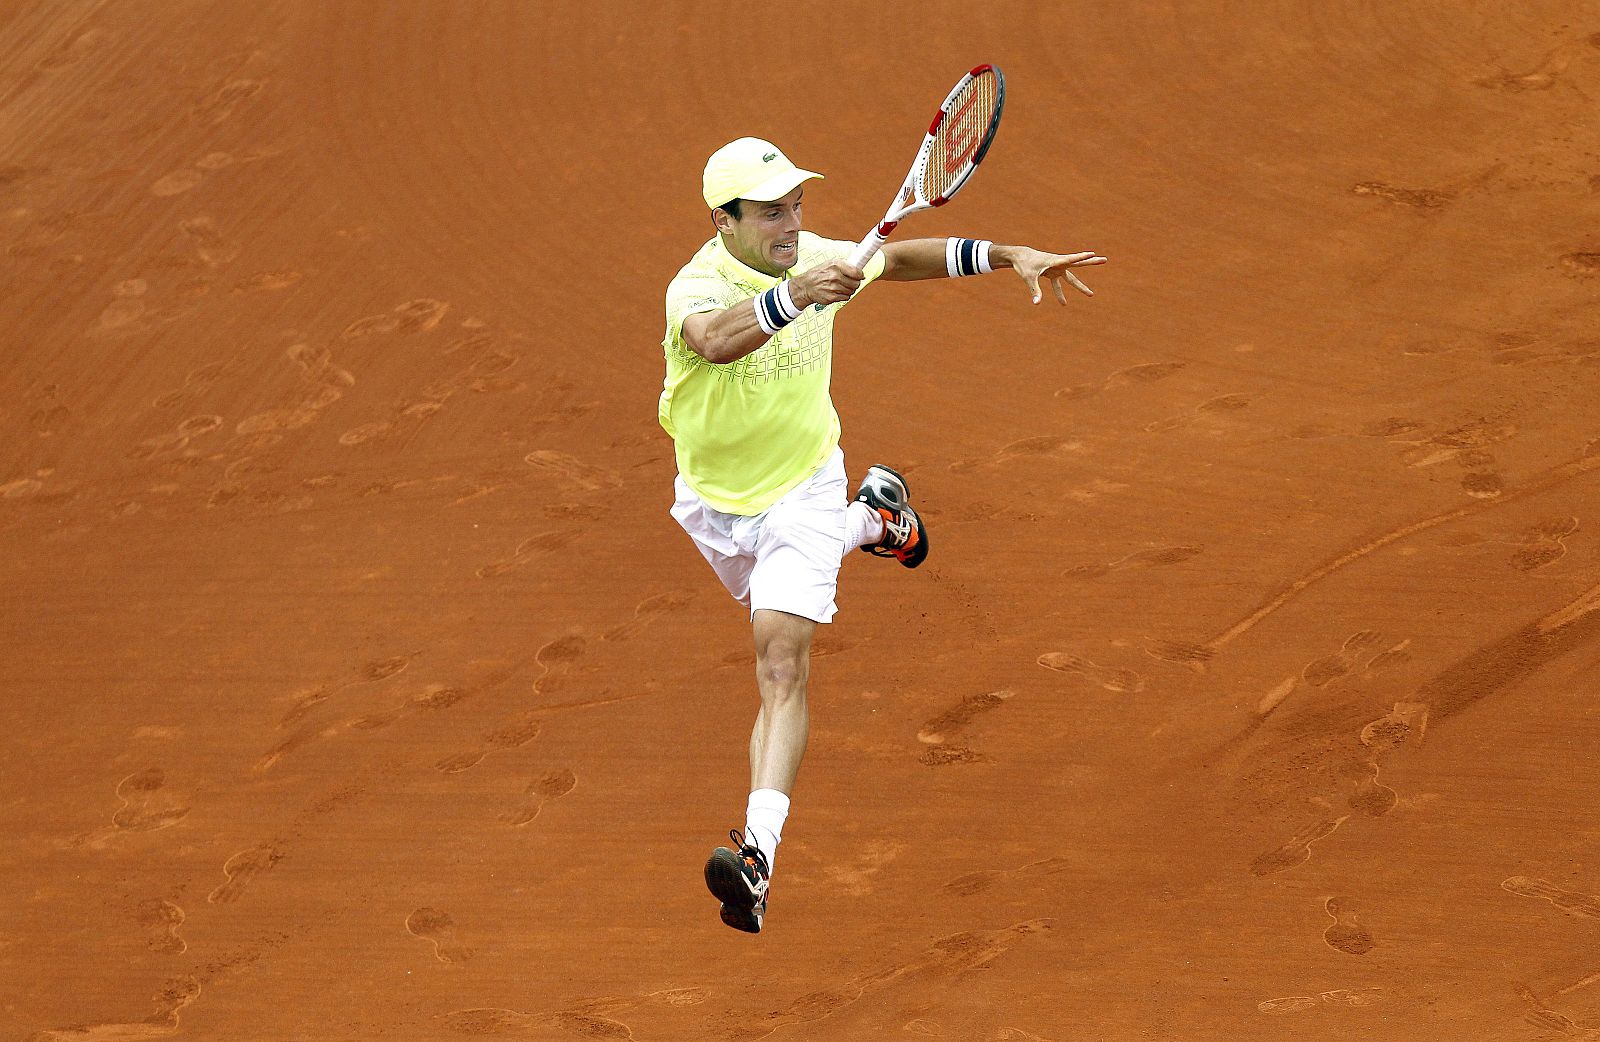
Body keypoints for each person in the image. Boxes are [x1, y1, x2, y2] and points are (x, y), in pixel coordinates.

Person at [660, 136, 1105, 934]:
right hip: (714, 500)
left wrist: (1010, 255)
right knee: (773, 595)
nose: (791, 223)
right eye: (769, 213)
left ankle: (757, 858)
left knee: (779, 660)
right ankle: (874, 519)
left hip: (800, 483)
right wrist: (795, 297)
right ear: (722, 223)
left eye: (796, 204)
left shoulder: (821, 257)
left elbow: (900, 261)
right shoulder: (693, 286)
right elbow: (715, 340)